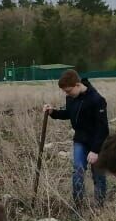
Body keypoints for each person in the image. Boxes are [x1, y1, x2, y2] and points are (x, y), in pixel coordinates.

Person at [43, 69, 109, 207]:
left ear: (77, 85)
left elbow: (103, 129)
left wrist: (95, 151)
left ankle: (99, 205)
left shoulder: (97, 100)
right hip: (80, 140)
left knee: (98, 174)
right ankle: (78, 205)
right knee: (78, 170)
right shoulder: (71, 97)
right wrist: (53, 112)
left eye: (68, 91)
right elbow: (70, 113)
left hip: (97, 142)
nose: (67, 94)